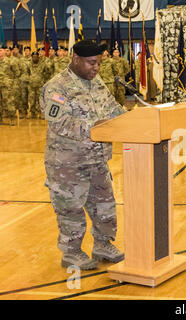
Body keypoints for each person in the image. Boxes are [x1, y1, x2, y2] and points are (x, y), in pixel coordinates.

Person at [40, 40, 126, 270]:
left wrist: (132, 119)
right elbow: (60, 122)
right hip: (68, 163)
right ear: (76, 59)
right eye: (91, 63)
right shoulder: (57, 87)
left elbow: (114, 108)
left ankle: (103, 244)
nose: (96, 67)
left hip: (97, 159)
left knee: (104, 205)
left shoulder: (96, 83)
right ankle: (72, 251)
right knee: (71, 209)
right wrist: (96, 127)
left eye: (99, 62)